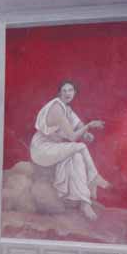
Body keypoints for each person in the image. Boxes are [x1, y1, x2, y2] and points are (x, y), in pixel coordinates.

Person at [30, 81, 110, 220]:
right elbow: (73, 137)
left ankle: (85, 203)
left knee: (77, 157)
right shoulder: (57, 108)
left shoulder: (67, 108)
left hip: (55, 147)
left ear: (75, 92)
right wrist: (89, 126)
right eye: (64, 90)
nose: (67, 93)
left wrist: (85, 133)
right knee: (81, 147)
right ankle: (94, 177)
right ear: (59, 93)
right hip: (42, 149)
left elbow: (78, 124)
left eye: (70, 90)